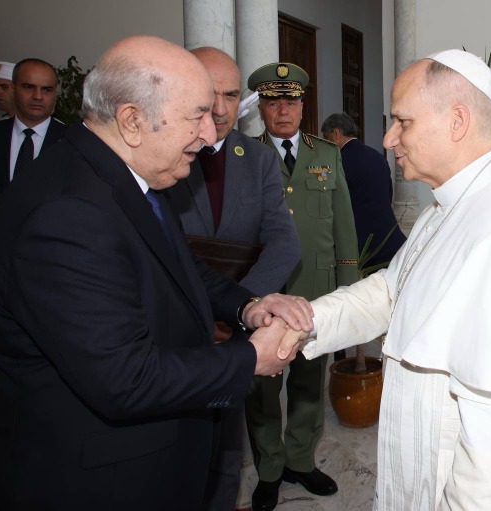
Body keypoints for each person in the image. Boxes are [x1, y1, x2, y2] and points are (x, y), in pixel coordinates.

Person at [0, 36, 311, 510]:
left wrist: (247, 305)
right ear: (132, 120)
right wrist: (250, 358)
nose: (208, 135)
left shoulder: (124, 175)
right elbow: (126, 379)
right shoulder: (67, 214)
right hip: (89, 484)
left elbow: (179, 265)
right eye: (196, 116)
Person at [281, 49, 491, 510]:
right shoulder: (445, 207)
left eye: (402, 122)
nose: (388, 139)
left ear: (457, 121)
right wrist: (303, 322)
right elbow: (391, 293)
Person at [167, 46, 300, 510]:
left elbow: (284, 243)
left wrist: (238, 309)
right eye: (210, 95)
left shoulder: (257, 158)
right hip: (173, 328)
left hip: (234, 325)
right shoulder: (160, 155)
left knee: (225, 449)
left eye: (230, 95)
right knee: (173, 451)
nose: (220, 110)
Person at [245, 62, 359, 511]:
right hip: (264, 294)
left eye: (290, 101)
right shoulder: (245, 155)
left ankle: (299, 460)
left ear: (302, 105)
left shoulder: (326, 154)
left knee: (309, 382)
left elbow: (344, 223)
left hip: (318, 291)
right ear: (262, 108)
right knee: (262, 386)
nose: (283, 111)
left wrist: (348, 290)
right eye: (273, 102)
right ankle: (269, 469)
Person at [0, 57, 65, 425]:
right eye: (29, 87)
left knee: (50, 371)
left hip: (53, 281)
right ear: (13, 89)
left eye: (47, 89)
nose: (38, 96)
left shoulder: (75, 143)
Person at [321, 112, 406, 267]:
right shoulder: (377, 156)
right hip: (390, 238)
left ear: (336, 133)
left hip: (362, 246)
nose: (326, 144)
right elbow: (388, 194)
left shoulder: (338, 162)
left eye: (326, 138)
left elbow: (333, 204)